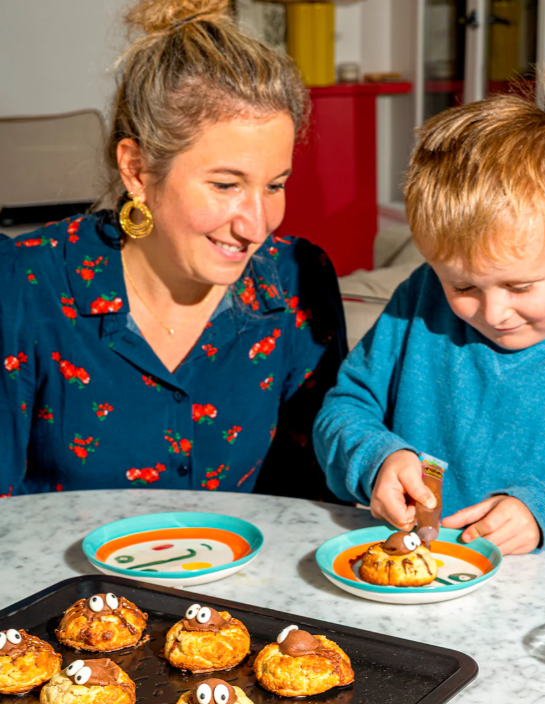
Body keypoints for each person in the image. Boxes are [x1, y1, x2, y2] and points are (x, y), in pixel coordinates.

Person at [314, 79, 545, 570]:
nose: (494, 313)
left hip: (539, 592)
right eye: (462, 286)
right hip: (409, 576)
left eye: (520, 287)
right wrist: (377, 459)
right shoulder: (419, 297)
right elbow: (344, 410)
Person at [0, 0, 346, 499]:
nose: (256, 227)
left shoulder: (297, 278)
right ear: (137, 170)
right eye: (226, 185)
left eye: (275, 185)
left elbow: (314, 501)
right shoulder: (26, 285)